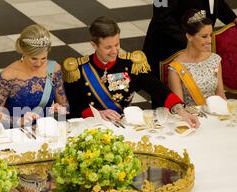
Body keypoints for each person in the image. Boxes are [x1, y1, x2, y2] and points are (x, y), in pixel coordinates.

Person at [62, 16, 200, 128]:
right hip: (91, 127)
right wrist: (98, 113)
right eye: (108, 47)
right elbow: (73, 104)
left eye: (117, 44)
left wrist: (180, 110)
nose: (115, 51)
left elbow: (156, 87)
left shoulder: (131, 64)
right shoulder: (78, 70)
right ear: (94, 45)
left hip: (122, 126)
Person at [0, 24, 69, 128]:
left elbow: (65, 105)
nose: (39, 63)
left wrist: (59, 109)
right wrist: (18, 121)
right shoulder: (9, 75)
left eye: (44, 58)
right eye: (34, 58)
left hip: (45, 130)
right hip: (16, 132)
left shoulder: (54, 68)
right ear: (23, 52)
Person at [143, 0, 237, 82]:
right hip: (168, 48)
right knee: (167, 97)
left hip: (196, 46)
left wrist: (233, 18)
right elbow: (161, 17)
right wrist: (189, 39)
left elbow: (216, 3)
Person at [168, 9, 226, 106]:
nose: (209, 40)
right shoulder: (175, 69)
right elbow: (180, 108)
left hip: (216, 116)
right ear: (189, 37)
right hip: (192, 119)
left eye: (210, 35)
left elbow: (221, 96)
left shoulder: (215, 60)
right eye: (204, 36)